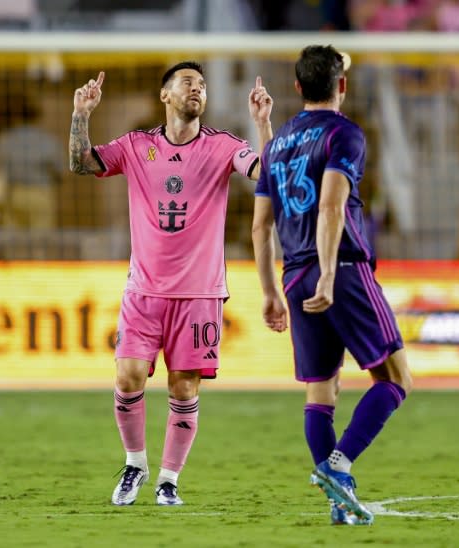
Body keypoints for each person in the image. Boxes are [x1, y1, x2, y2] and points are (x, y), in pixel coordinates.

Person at [69, 63, 273, 506]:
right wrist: (81, 113)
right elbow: (82, 164)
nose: (197, 89)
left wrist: (263, 125)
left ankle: (168, 481)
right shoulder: (136, 145)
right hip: (144, 290)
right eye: (187, 83)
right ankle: (134, 463)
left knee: (183, 389)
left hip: (199, 294)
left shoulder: (223, 146)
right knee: (128, 376)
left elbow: (266, 173)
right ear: (165, 95)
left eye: (201, 84)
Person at [251, 45, 413, 526]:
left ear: (297, 88)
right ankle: (338, 469)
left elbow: (261, 227)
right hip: (338, 268)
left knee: (321, 393)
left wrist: (267, 291)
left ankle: (337, 506)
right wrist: (327, 270)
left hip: (293, 276)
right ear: (341, 86)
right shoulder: (345, 134)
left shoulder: (276, 145)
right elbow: (331, 207)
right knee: (397, 378)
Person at [0, 99, 62, 229]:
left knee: (12, 240)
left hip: (13, 194)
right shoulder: (48, 141)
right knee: (40, 239)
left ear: (17, 117)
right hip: (40, 194)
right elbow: (60, 171)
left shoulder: (4, 139)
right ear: (37, 117)